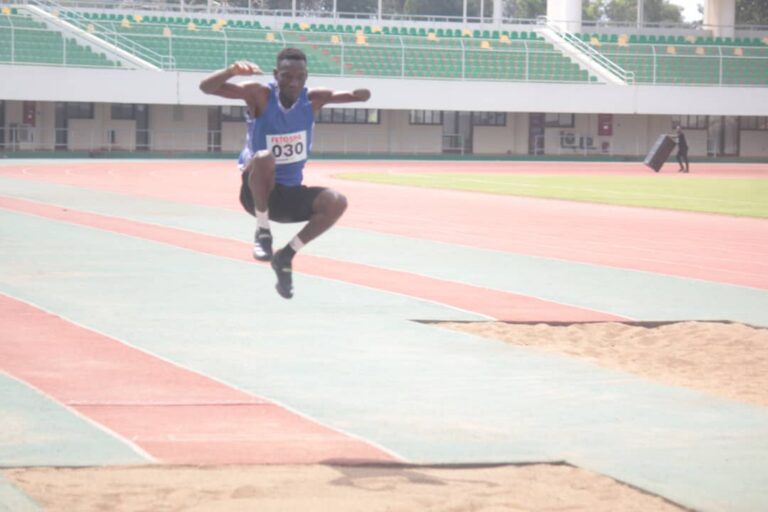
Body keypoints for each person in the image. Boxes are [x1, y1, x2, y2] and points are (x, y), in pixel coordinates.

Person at [199, 48, 371, 299]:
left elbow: (349, 96)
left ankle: (285, 256)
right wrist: (231, 71)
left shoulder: (313, 99)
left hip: (288, 196)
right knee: (264, 157)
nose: (293, 82)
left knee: (336, 201)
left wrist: (360, 95)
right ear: (275, 74)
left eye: (299, 77)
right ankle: (262, 231)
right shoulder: (260, 94)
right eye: (287, 76)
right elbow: (206, 88)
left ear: (306, 76)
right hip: (256, 192)